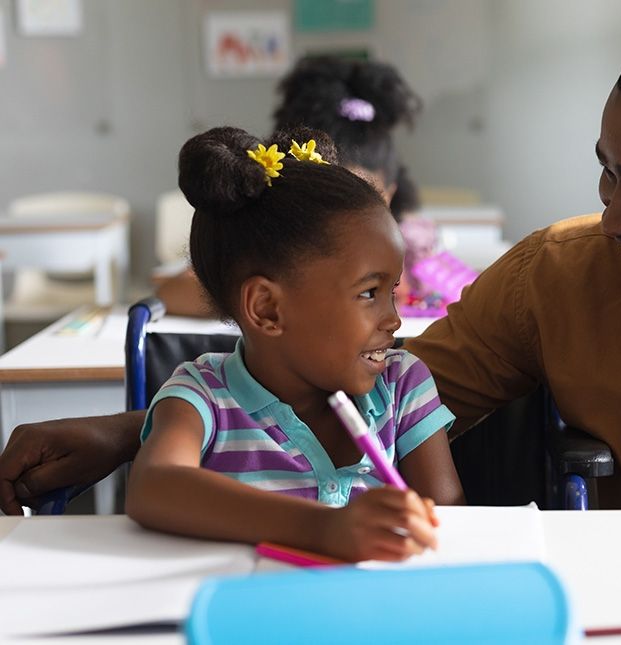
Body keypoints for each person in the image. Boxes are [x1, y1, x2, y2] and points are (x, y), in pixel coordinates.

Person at [0, 11, 621, 643]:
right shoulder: (563, 272)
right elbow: (383, 383)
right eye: (606, 170)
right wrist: (125, 432)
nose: (613, 215)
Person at [126, 126, 463, 562]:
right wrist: (324, 528)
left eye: (392, 290)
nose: (394, 319)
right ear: (267, 309)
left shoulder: (402, 385)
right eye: (368, 293)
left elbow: (451, 524)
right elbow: (155, 485)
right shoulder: (201, 394)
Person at [156, 55, 425, 317]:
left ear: (389, 194)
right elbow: (171, 292)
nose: (344, 209)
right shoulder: (275, 244)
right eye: (327, 195)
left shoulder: (414, 248)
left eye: (363, 193)